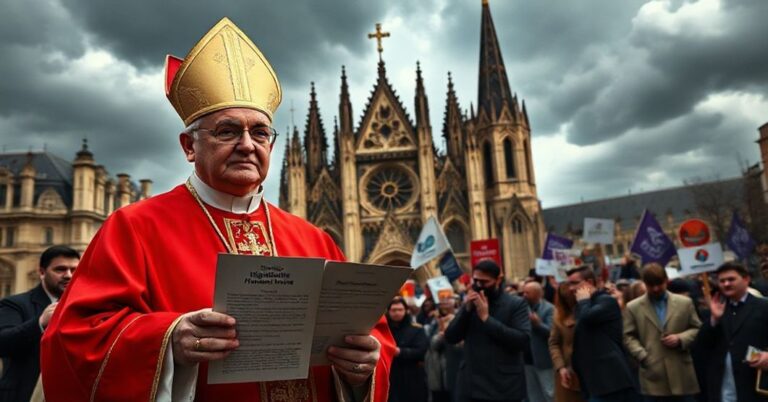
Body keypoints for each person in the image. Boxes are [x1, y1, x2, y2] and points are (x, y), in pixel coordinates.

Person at [40, 18, 394, 402]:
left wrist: (363, 366)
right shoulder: (134, 227)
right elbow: (73, 337)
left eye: (260, 132)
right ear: (189, 146)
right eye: (227, 131)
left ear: (272, 146)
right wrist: (168, 340)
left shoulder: (315, 239)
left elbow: (374, 335)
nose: (247, 144)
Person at [0, 245, 79, 402]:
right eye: (60, 269)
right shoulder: (15, 304)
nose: (68, 275)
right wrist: (39, 323)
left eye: (74, 270)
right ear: (42, 272)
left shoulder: (84, 307)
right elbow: (3, 343)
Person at [445, 260, 531, 402]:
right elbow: (451, 336)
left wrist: (486, 319)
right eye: (476, 281)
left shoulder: (516, 304)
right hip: (471, 385)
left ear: (498, 280)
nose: (479, 285)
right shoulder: (470, 304)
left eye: (484, 282)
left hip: (502, 386)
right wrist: (466, 311)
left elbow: (522, 341)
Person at [623, 263, 701, 401]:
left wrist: (681, 338)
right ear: (644, 283)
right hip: (653, 376)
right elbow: (627, 336)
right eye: (650, 285)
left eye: (659, 284)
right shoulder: (633, 307)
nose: (655, 288)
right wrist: (642, 355)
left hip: (681, 374)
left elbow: (697, 328)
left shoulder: (685, 303)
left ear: (666, 280)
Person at [694, 262, 768, 402]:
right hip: (723, 388)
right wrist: (714, 319)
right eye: (722, 281)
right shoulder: (716, 308)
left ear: (746, 279)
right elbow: (700, 347)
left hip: (754, 387)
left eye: (731, 279)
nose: (726, 284)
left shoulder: (763, 306)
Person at [568, 265, 636, 402]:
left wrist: (584, 301)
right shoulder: (583, 305)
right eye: (569, 284)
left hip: (610, 380)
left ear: (589, 282)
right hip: (592, 379)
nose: (571, 288)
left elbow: (587, 318)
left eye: (575, 283)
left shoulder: (606, 301)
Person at [548, 283, 585, 402]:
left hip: (591, 371)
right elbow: (554, 343)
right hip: (569, 373)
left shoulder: (592, 309)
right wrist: (561, 367)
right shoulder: (558, 315)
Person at [387, 297, 428, 402]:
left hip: (412, 375)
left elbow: (421, 351)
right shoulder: (385, 330)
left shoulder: (416, 329)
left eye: (400, 310)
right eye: (394, 310)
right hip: (390, 374)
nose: (397, 313)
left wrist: (400, 352)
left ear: (406, 310)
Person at [425, 297, 464, 402]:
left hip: (455, 368)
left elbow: (459, 345)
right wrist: (441, 334)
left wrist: (449, 333)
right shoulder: (434, 321)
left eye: (448, 300)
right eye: (442, 302)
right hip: (437, 371)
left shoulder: (461, 319)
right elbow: (432, 345)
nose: (445, 303)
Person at [522, 281, 555, 402]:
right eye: (523, 292)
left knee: (549, 393)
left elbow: (552, 333)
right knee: (533, 395)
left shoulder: (549, 309)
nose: (524, 295)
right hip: (527, 359)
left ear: (537, 294)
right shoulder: (522, 307)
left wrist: (538, 324)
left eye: (527, 293)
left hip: (543, 360)